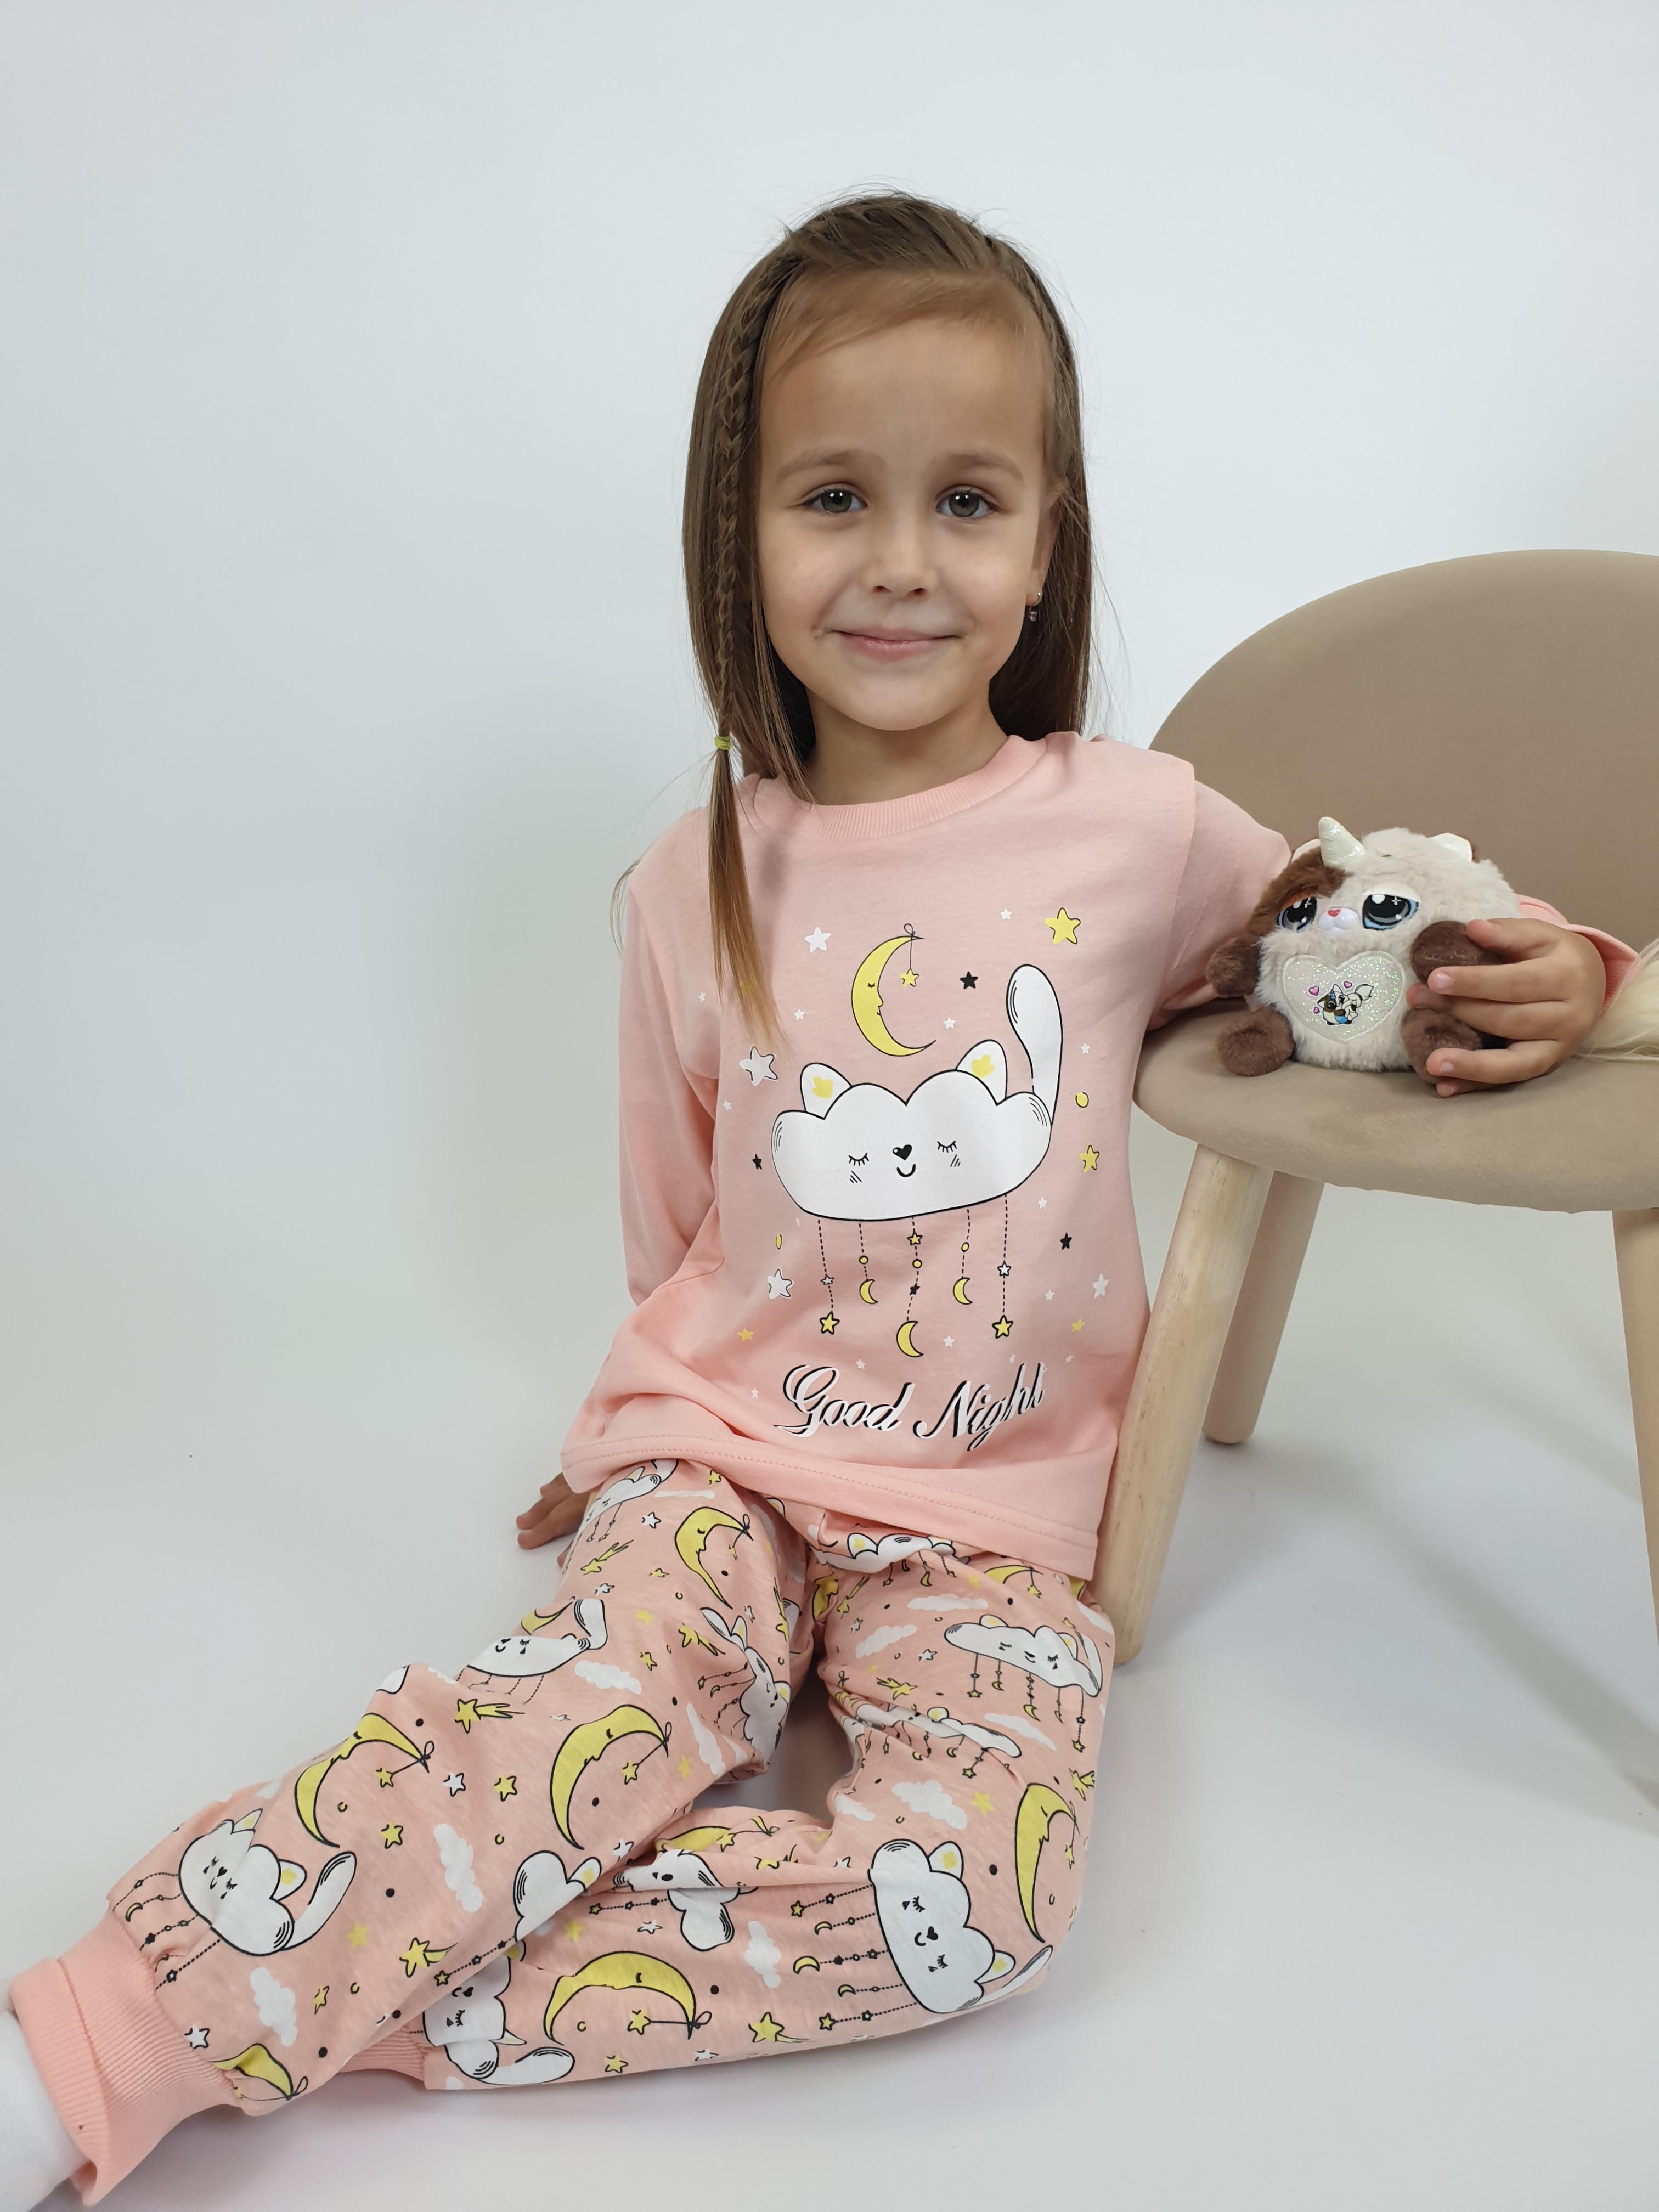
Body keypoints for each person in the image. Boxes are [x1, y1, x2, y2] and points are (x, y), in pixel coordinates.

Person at [1, 191, 1637, 2211]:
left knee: (982, 1903)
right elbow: (669, 1220)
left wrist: (1567, 970)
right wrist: (630, 1442)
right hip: (723, 1458)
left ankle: (345, 1987)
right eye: (835, 497)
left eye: (968, 503)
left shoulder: (1139, 831)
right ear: (742, 532)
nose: (901, 562)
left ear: (1046, 540)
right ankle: (102, 2042)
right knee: (588, 1715)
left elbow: (1359, 948)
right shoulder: (686, 885)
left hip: (996, 1512)